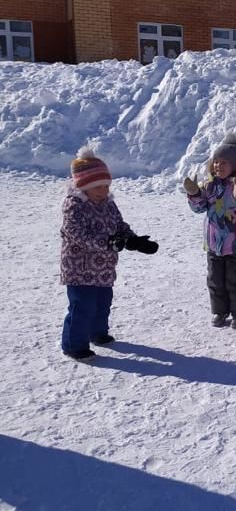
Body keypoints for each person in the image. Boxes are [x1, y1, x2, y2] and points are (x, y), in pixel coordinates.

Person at [60, 147, 158, 360]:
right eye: (98, 186)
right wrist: (109, 243)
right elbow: (77, 234)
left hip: (103, 266)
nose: (104, 190)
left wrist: (133, 240)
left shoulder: (108, 203)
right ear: (83, 186)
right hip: (80, 268)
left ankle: (98, 333)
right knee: (82, 307)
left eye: (106, 185)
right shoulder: (74, 206)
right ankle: (73, 345)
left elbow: (119, 225)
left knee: (102, 302)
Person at [183, 133, 236, 329]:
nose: (218, 166)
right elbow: (199, 208)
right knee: (215, 281)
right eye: (216, 162)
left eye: (223, 162)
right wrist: (194, 194)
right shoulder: (210, 185)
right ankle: (220, 311)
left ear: (234, 165)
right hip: (214, 244)